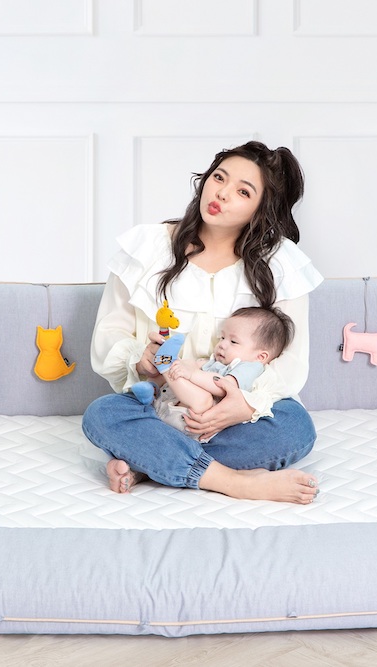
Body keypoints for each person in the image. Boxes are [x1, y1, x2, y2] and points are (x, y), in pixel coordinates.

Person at [81, 140, 324, 504]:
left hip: (237, 418)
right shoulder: (146, 247)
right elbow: (109, 332)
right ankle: (235, 482)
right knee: (103, 414)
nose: (222, 193)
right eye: (219, 178)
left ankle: (150, 463)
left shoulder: (281, 264)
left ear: (261, 208)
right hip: (160, 406)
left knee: (295, 426)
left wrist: (243, 405)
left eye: (243, 191)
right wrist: (140, 359)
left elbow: (291, 362)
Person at [131, 306, 294, 443]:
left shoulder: (250, 367)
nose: (222, 344)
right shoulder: (216, 362)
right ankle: (151, 390)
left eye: (233, 341)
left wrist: (191, 374)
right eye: (222, 337)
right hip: (172, 408)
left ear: (261, 356)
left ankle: (165, 367)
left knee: (204, 399)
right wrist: (183, 364)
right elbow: (193, 365)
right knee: (175, 368)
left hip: (196, 420)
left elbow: (223, 386)